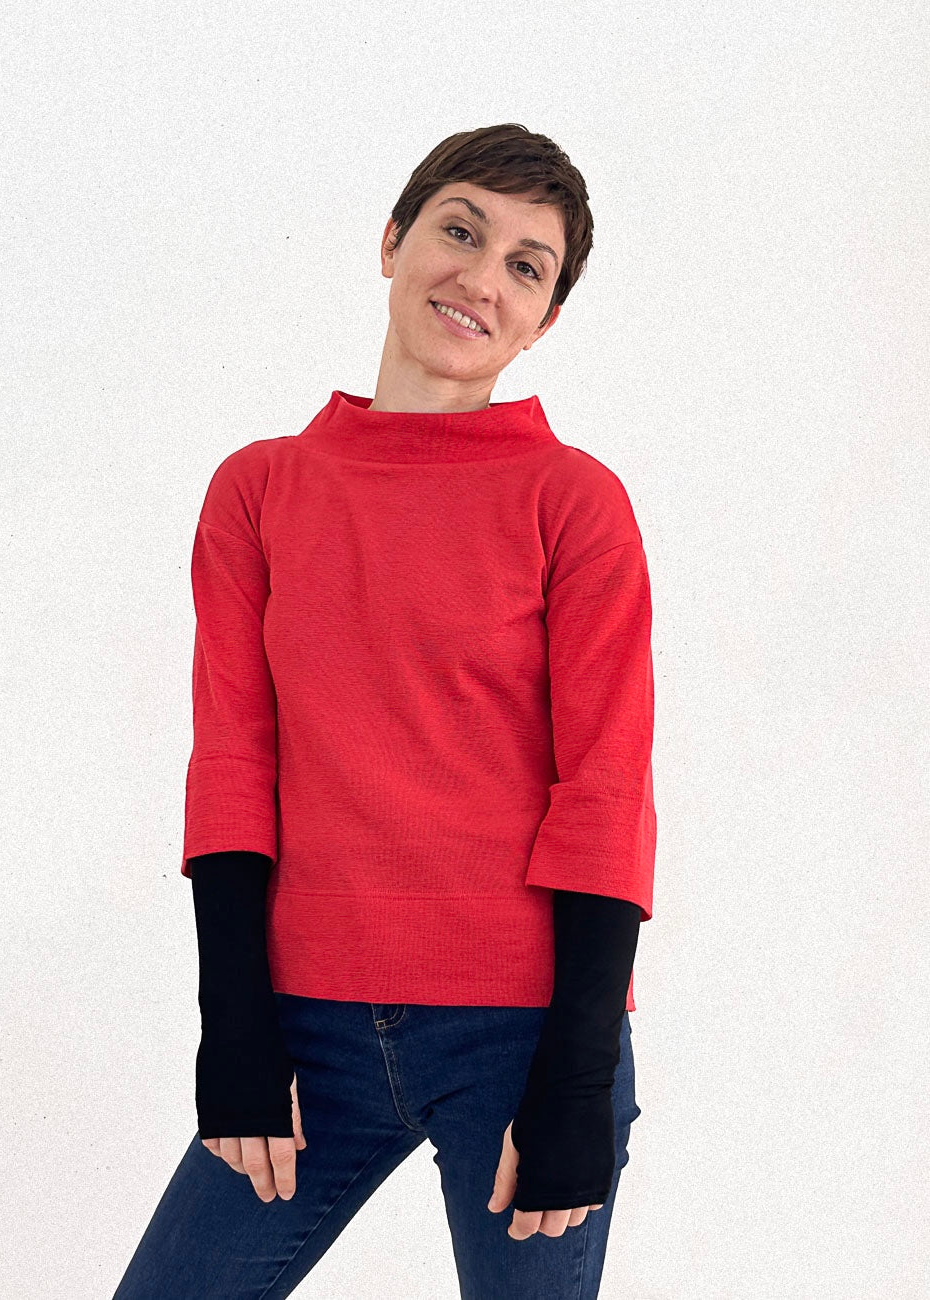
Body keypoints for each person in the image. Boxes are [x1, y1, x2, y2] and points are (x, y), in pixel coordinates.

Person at [113, 122, 655, 1299]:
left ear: (546, 318)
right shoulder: (260, 489)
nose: (482, 277)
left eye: (526, 266)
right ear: (393, 241)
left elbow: (605, 791)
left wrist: (575, 1072)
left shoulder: (574, 503)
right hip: (304, 1029)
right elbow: (232, 761)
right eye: (460, 230)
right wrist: (234, 1023)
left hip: (523, 1035)